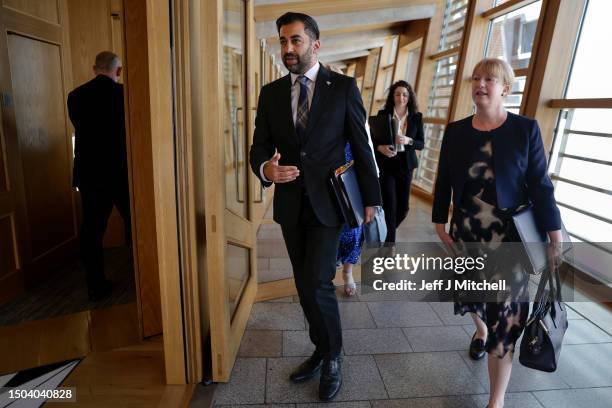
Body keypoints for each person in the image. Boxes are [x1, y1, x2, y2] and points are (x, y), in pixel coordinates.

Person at [249, 12, 381, 401]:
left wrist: (372, 198)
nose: (288, 49)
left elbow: (361, 143)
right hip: (291, 205)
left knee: (320, 282)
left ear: (315, 44)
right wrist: (267, 168)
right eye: (283, 42)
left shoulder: (342, 87)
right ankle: (320, 349)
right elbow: (258, 145)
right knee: (305, 284)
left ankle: (333, 356)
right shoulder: (271, 93)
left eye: (295, 41)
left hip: (330, 203)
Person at [432, 58, 562, 408]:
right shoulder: (456, 131)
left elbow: (540, 184)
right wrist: (437, 222)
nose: (481, 84)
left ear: (505, 88)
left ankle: (496, 401)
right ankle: (480, 328)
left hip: (511, 240)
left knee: (506, 320)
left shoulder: (525, 129)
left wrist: (554, 233)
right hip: (468, 233)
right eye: (476, 78)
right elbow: (443, 178)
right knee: (474, 298)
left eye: (490, 79)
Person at [67, 51, 130, 301]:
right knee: (138, 226)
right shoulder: (125, 95)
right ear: (119, 71)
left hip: (90, 174)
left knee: (92, 230)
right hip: (123, 172)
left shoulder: (75, 96)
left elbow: (79, 127)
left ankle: (95, 285)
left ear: (94, 69)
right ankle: (147, 279)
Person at [373, 80, 424, 244]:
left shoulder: (416, 118)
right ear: (392, 96)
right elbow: (372, 141)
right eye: (397, 94)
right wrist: (379, 147)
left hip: (406, 165)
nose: (401, 97)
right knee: (390, 207)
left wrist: (409, 140)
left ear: (409, 97)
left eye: (404, 94)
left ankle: (385, 232)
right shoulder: (383, 115)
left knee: (403, 208)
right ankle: (390, 245)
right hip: (387, 164)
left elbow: (421, 144)